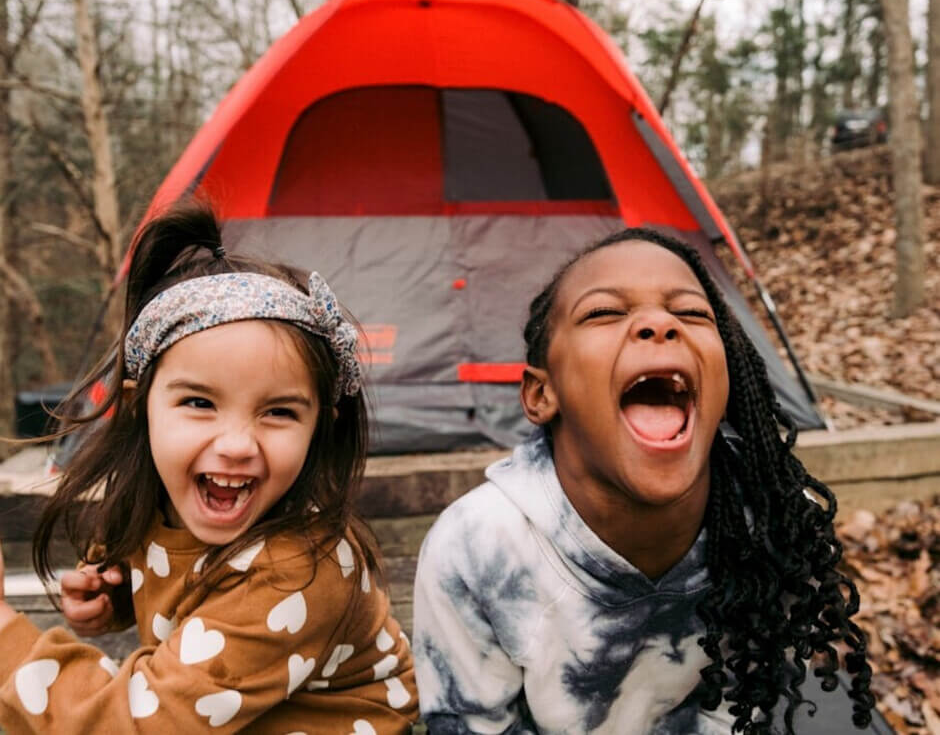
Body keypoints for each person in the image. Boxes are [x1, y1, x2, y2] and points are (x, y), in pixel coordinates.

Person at [412, 227, 874, 734]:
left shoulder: (774, 522)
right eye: (604, 312)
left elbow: (738, 711)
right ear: (541, 394)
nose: (659, 323)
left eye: (693, 313)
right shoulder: (476, 548)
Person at [0, 199, 418, 733]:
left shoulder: (296, 571)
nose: (238, 443)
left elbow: (127, 724)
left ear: (320, 427)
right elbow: (189, 580)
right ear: (139, 407)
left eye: (279, 412)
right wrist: (121, 593)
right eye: (199, 403)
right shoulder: (163, 503)